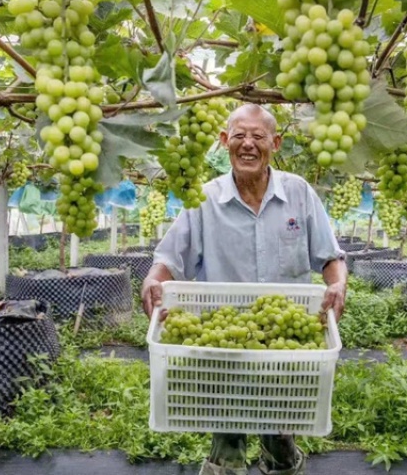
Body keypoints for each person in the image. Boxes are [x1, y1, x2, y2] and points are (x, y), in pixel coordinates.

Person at [142, 103, 347, 475]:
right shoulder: (203, 199)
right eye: (239, 136)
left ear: (276, 143)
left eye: (258, 136)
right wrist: (153, 278)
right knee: (227, 436)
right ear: (223, 141)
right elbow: (170, 257)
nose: (248, 144)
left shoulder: (299, 193)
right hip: (225, 345)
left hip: (287, 347)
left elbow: (330, 257)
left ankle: (282, 463)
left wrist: (338, 285)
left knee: (281, 434)